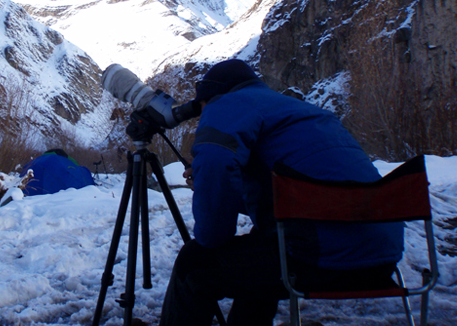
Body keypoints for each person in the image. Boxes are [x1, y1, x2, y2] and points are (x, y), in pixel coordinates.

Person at [160, 59, 404, 326]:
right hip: (381, 260)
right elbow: (294, 196)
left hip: (321, 258)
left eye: (201, 107)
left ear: (210, 97)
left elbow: (215, 164)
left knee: (194, 264)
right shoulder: (301, 111)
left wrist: (211, 232)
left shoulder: (228, 103)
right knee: (263, 244)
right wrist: (220, 184)